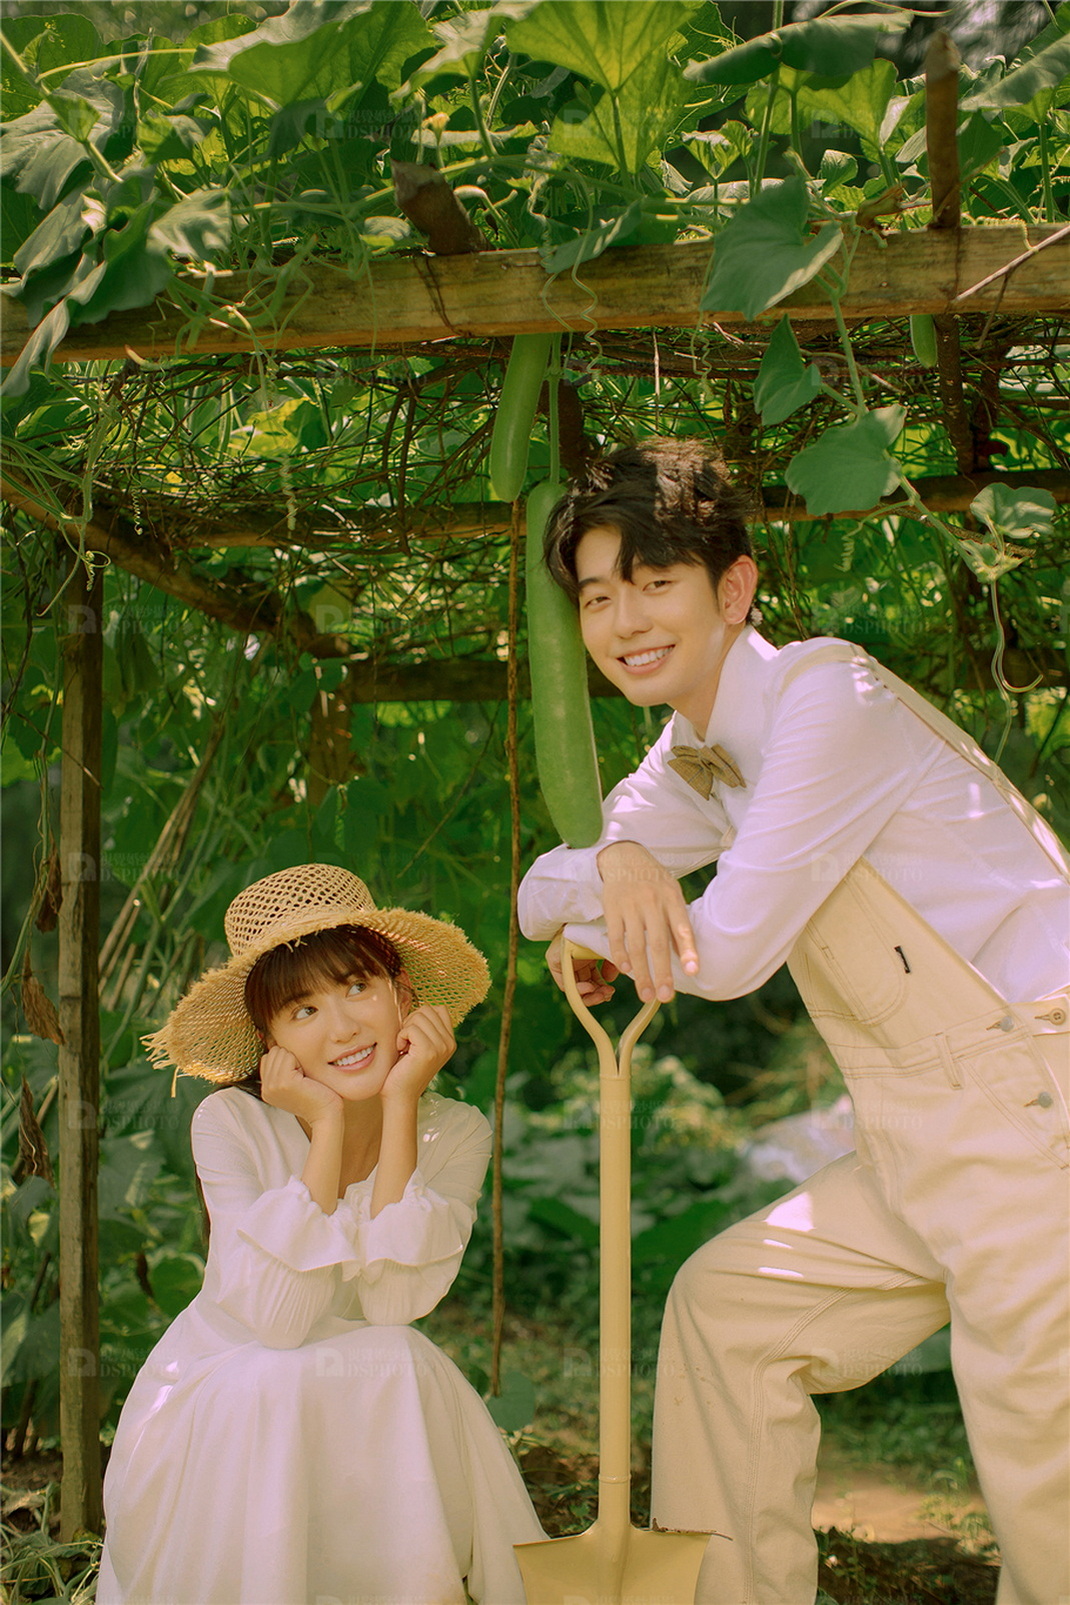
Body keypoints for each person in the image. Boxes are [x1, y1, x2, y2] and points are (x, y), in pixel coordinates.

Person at [517, 439, 1069, 1605]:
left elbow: (718, 955)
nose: (623, 620)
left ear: (732, 588)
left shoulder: (829, 697)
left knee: (1043, 1465)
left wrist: (620, 906)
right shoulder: (689, 757)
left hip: (1033, 1099)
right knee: (727, 1313)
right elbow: (534, 897)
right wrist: (615, 861)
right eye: (598, 596)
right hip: (921, 1127)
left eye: (653, 582)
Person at [98, 862, 542, 1605]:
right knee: (284, 1376)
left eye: (357, 987)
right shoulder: (229, 1122)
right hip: (227, 1390)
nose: (341, 1027)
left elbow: (393, 1305)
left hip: (365, 1393)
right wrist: (327, 1127)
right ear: (269, 1041)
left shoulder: (457, 1131)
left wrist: (401, 1105)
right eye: (302, 1010)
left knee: (399, 1354)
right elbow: (279, 1324)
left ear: (403, 995)